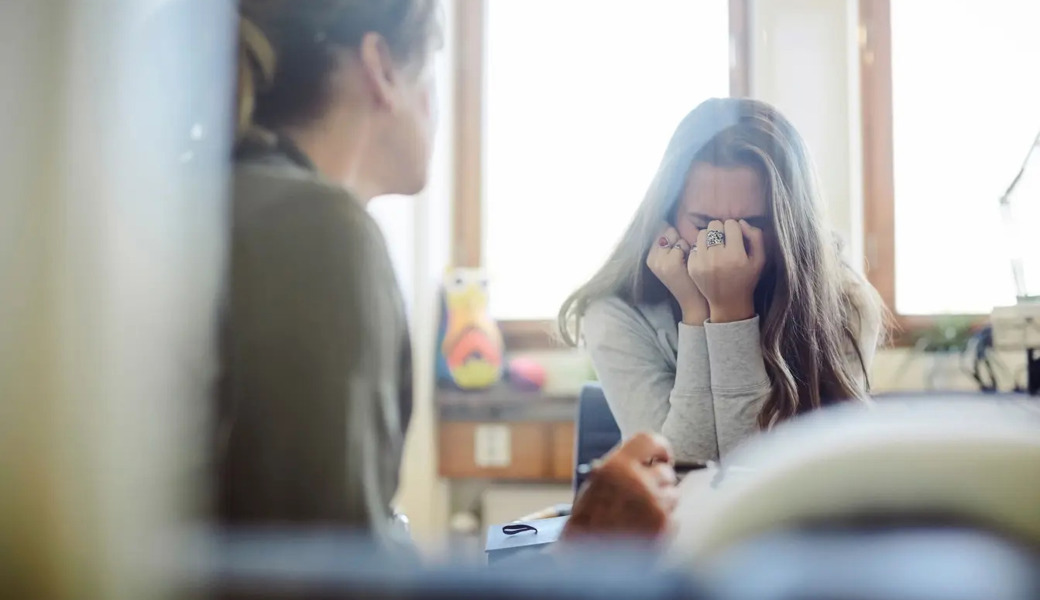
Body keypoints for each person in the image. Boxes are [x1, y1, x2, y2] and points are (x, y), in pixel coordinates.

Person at [218, 0, 677, 548]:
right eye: (432, 68)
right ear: (382, 68)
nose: (435, 104)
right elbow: (325, 577)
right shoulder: (315, 229)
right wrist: (579, 554)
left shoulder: (242, 203)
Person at [558, 98, 884, 463]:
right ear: (665, 216)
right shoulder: (616, 313)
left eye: (755, 224)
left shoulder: (843, 302)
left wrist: (731, 313)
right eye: (703, 224)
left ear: (792, 228)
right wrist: (697, 314)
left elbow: (761, 477)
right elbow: (678, 472)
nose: (724, 246)